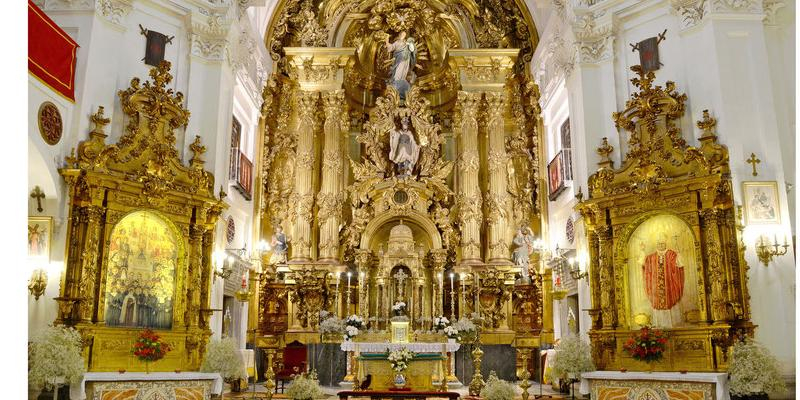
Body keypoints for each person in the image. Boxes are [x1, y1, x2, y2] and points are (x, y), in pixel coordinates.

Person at [642, 233, 684, 312]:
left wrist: (678, 254)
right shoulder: (651, 257)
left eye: (662, 244)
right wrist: (642, 250)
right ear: (656, 244)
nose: (660, 245)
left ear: (665, 244)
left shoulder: (671, 254)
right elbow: (644, 265)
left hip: (669, 288)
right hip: (656, 291)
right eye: (659, 244)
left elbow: (679, 265)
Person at [385, 31, 418, 99]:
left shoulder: (406, 43)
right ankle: (397, 79)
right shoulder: (397, 42)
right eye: (403, 34)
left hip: (406, 59)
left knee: (404, 69)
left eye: (405, 35)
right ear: (400, 35)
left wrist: (411, 46)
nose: (404, 36)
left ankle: (402, 78)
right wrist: (387, 41)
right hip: (399, 59)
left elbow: (412, 50)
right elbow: (391, 48)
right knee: (399, 69)